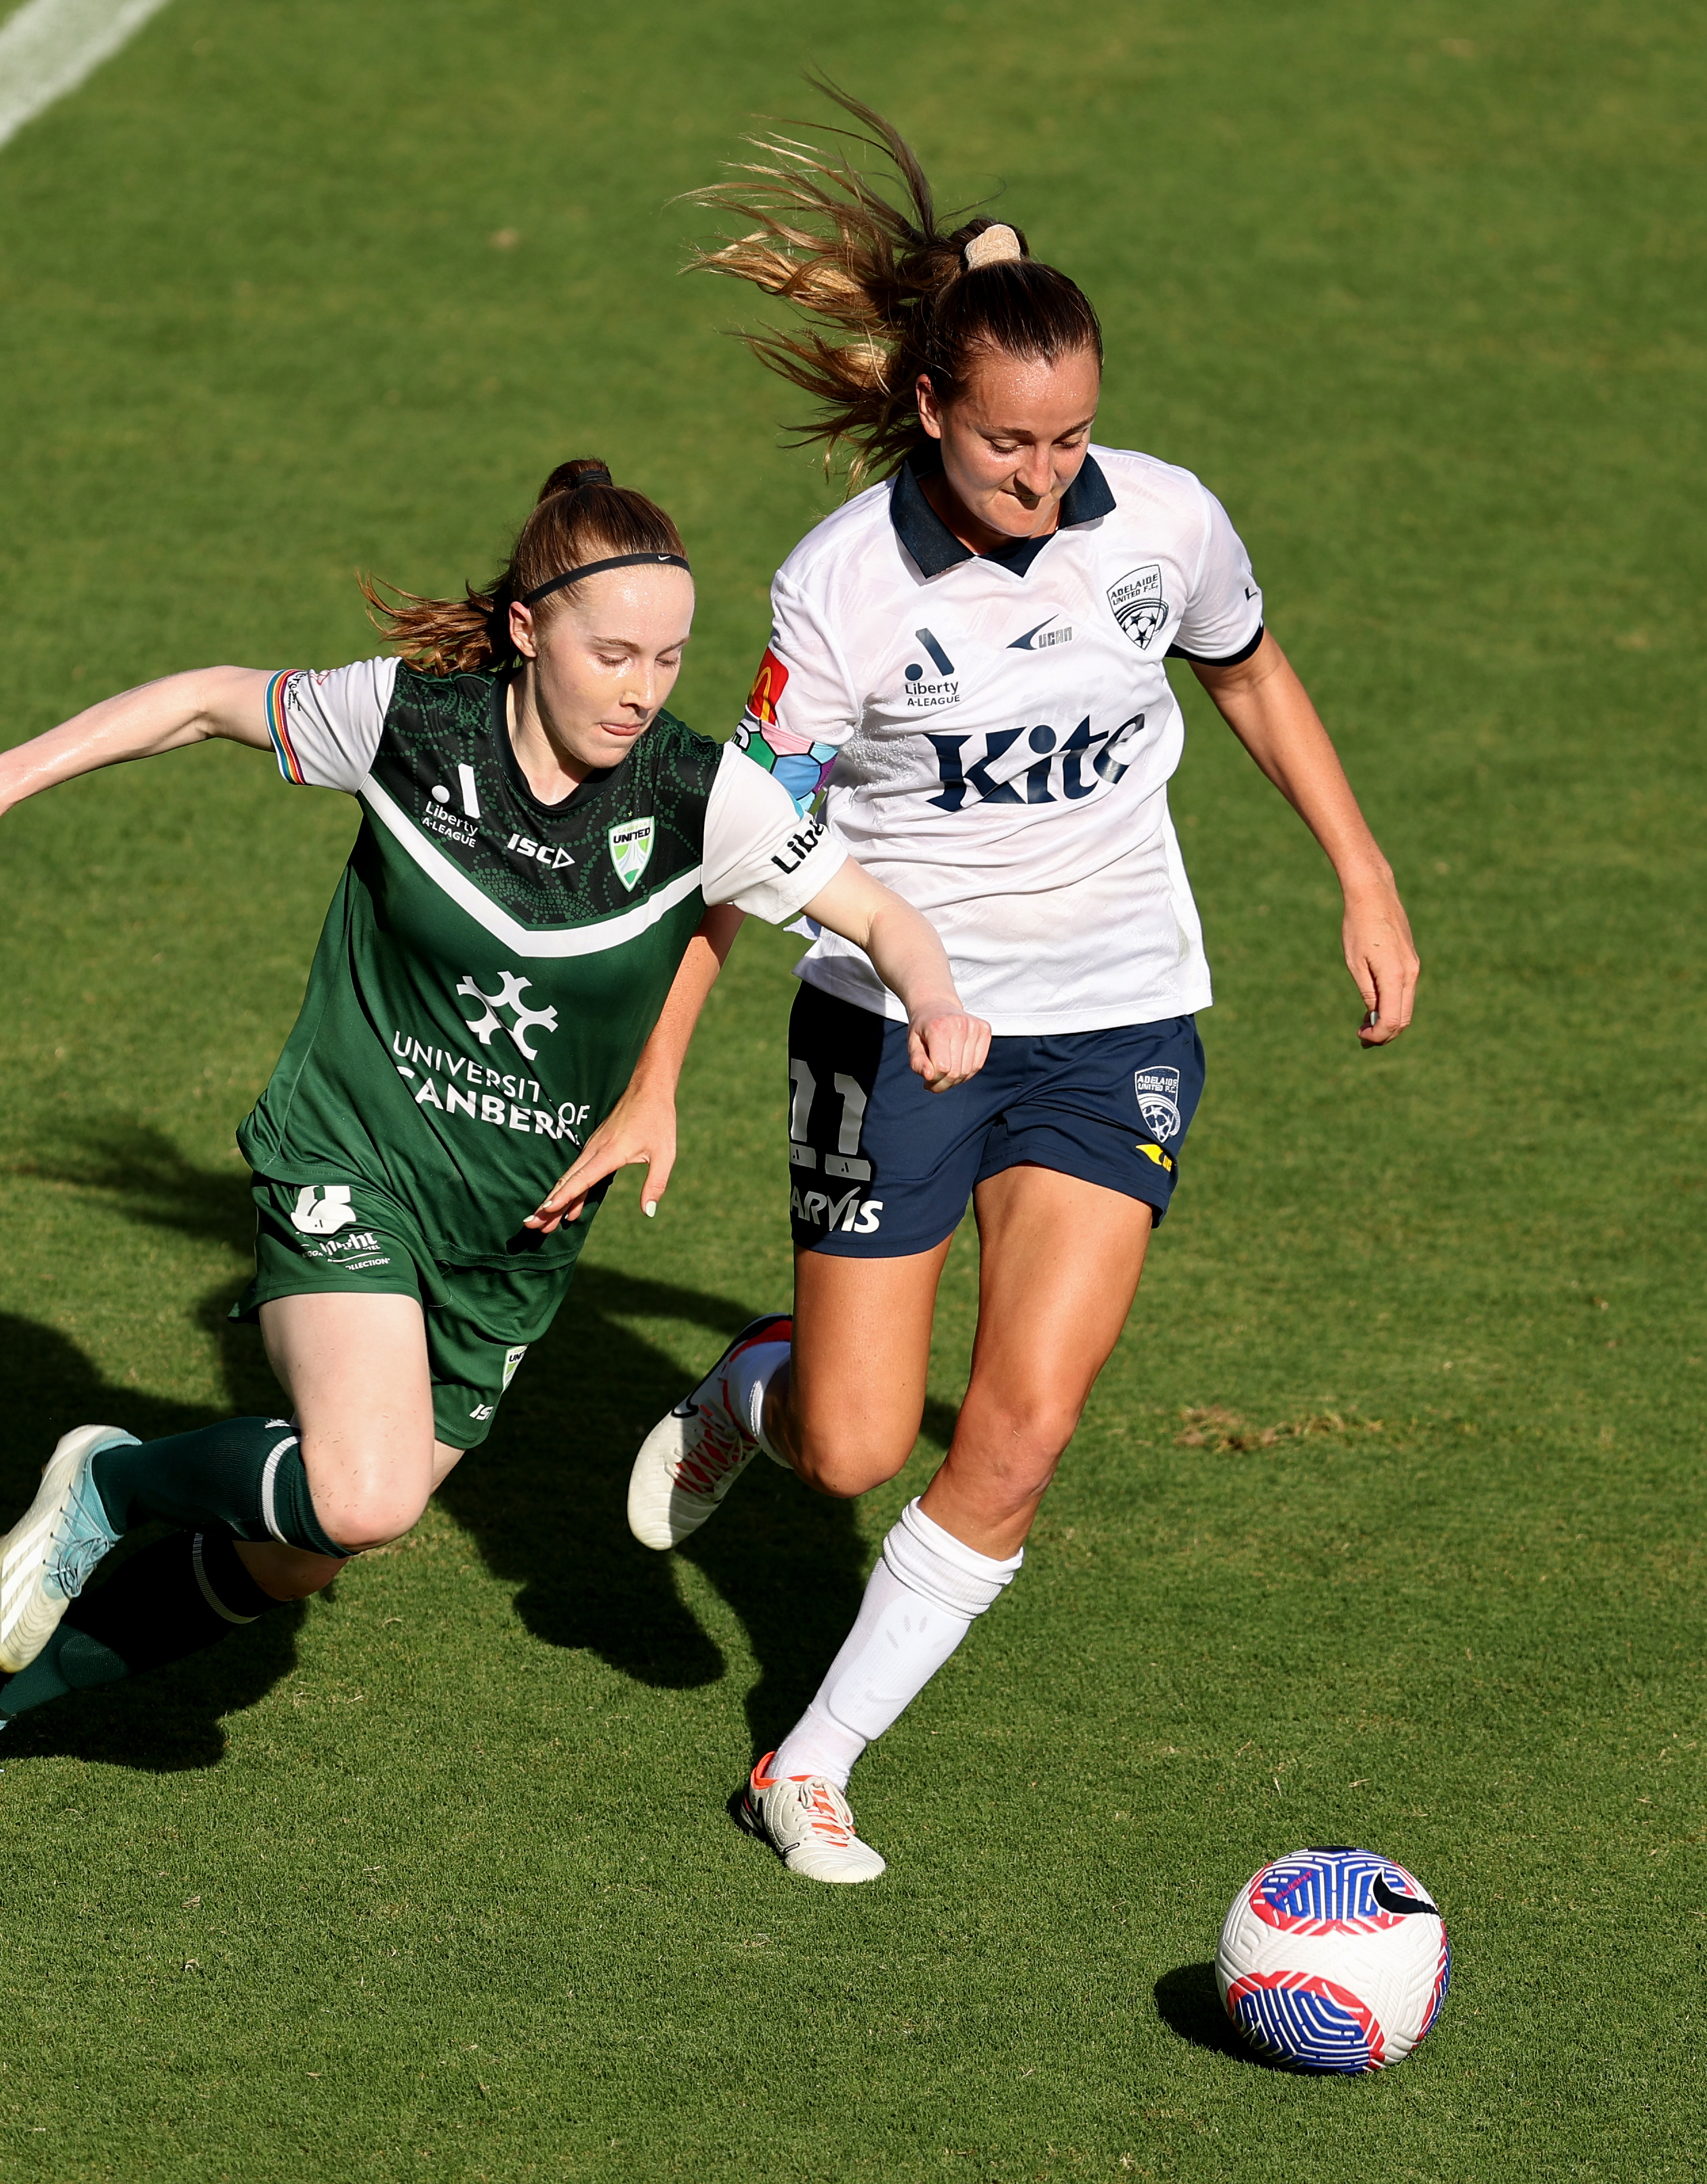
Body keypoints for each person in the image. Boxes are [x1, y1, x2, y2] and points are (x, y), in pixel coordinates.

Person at [0, 459, 991, 1838]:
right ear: (525, 631)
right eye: (611, 651)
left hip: (508, 1243)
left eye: (669, 655)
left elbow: (880, 917)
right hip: (352, 1159)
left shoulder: (706, 795)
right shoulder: (405, 726)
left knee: (293, 1560)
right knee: (365, 1491)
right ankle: (108, 1480)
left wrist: (933, 999)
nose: (642, 685)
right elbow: (210, 699)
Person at [603, 94, 1422, 1883]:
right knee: (845, 1448)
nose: (1044, 479)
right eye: (1004, 448)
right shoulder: (838, 594)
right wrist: (660, 1068)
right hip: (891, 1023)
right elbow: (750, 842)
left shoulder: (1164, 525)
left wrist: (1360, 873)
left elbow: (1252, 673)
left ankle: (806, 1761)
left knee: (1025, 1417)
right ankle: (767, 1380)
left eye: (1069, 440)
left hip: (1116, 1010)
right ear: (925, 412)